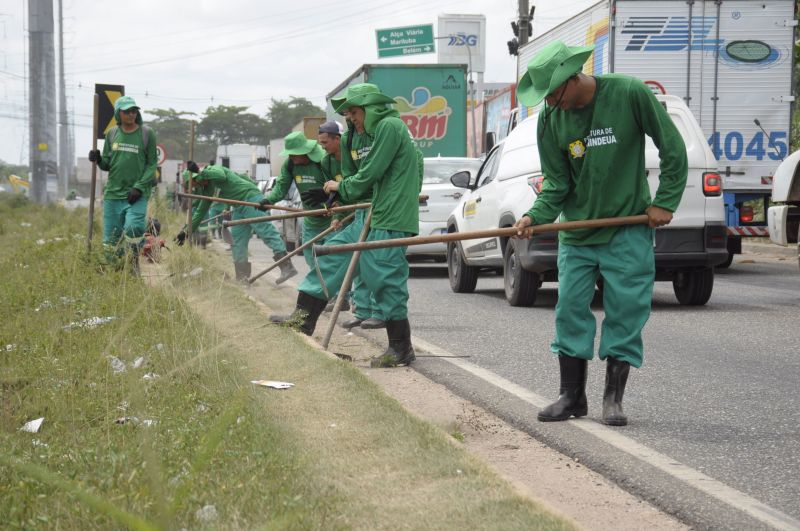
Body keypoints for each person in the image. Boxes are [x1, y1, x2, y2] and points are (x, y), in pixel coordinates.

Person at [513, 41, 688, 426]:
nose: (551, 103)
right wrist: (534, 215)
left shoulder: (628, 92)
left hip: (625, 227)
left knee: (625, 312)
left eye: (554, 93)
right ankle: (572, 396)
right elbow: (557, 183)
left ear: (572, 78)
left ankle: (613, 398)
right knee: (570, 310)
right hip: (577, 235)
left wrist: (666, 201)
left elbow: (672, 148)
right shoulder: (550, 119)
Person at [271, 83, 423, 368]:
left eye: (353, 112)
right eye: (348, 115)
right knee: (330, 253)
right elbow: (358, 174)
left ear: (369, 107)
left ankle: (401, 348)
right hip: (369, 212)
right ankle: (302, 320)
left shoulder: (390, 126)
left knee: (384, 276)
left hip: (391, 214)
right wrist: (351, 139)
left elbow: (371, 173)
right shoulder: (361, 135)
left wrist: (342, 188)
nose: (349, 118)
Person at [177, 162, 298, 283]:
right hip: (238, 207)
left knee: (266, 232)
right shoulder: (206, 191)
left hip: (250, 198)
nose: (200, 184)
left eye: (197, 181)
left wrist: (200, 171)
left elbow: (221, 176)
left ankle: (287, 267)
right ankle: (242, 277)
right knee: (236, 241)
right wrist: (186, 232)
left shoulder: (214, 170)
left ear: (198, 176)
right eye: (196, 185)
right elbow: (199, 213)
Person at [316, 119, 382, 326]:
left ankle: (379, 312)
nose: (323, 147)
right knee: (358, 262)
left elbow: (363, 180)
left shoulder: (354, 152)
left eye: (326, 142)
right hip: (352, 210)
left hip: (369, 207)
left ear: (338, 139)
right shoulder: (326, 162)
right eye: (320, 143)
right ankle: (362, 311)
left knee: (372, 261)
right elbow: (336, 193)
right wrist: (335, 214)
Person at [88, 96, 157, 273]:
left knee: (134, 227)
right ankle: (117, 275)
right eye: (127, 111)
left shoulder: (146, 133)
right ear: (118, 113)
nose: (131, 114)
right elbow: (107, 165)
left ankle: (133, 261)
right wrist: (97, 159)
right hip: (113, 194)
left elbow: (151, 165)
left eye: (134, 110)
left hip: (136, 195)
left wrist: (139, 187)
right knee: (111, 240)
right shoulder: (111, 134)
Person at [260, 131, 330, 269]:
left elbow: (337, 184)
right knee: (313, 264)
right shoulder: (290, 165)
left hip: (332, 221)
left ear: (304, 151)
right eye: (289, 154)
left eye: (294, 153)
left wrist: (328, 202)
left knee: (333, 263)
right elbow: (281, 187)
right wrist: (269, 201)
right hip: (310, 221)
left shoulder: (324, 160)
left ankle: (341, 291)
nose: (291, 157)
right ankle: (320, 290)